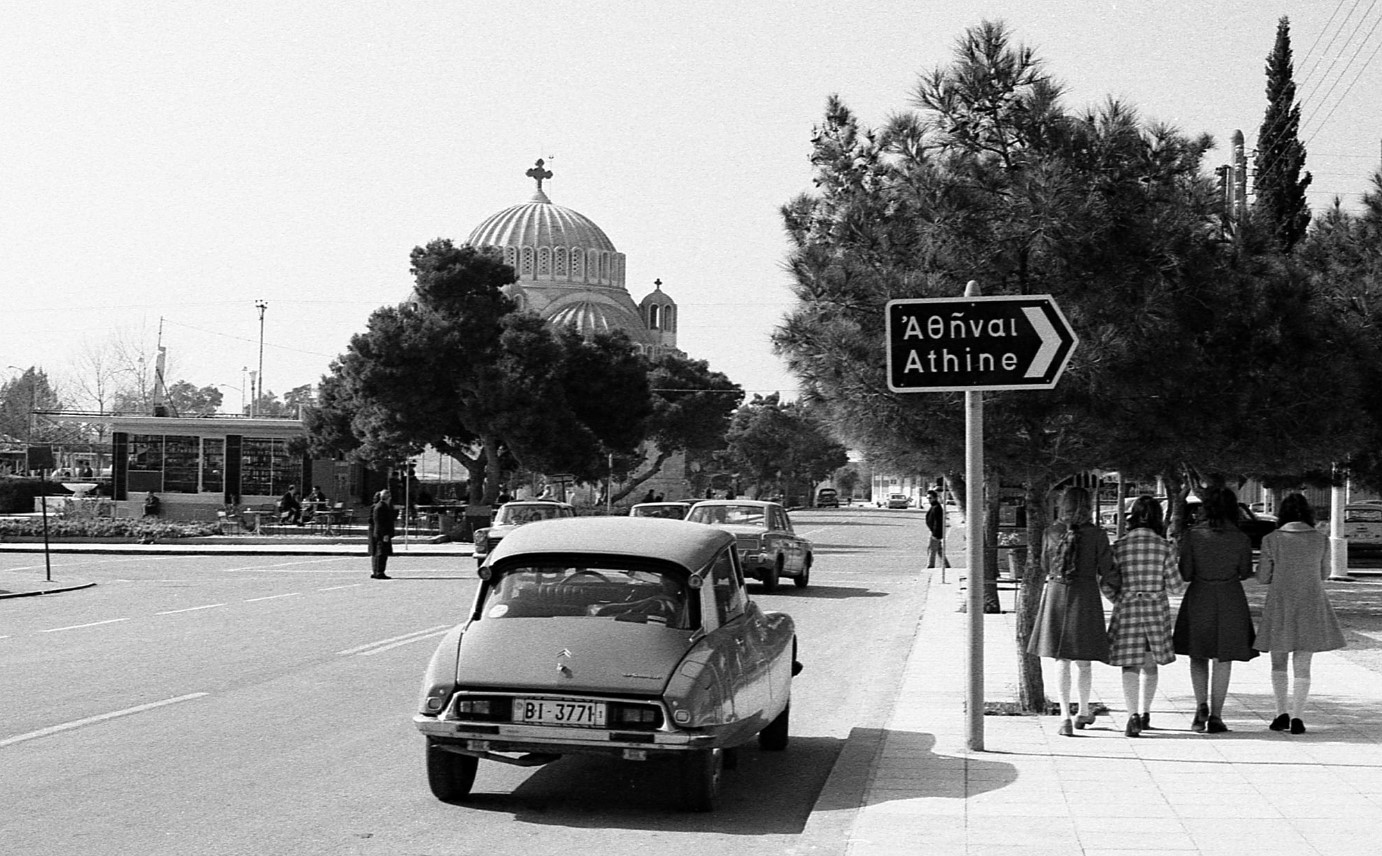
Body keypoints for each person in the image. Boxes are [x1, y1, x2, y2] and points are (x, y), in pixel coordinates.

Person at [1254, 492, 1346, 734]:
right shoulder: (1320, 539)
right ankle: (1298, 716)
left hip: (1281, 601)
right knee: (1303, 664)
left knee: (1278, 662)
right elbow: (1324, 574)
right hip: (1311, 601)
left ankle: (1280, 712)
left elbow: (1263, 577)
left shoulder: (1272, 539)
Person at [1026, 486, 1115, 736]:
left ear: (1062, 504)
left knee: (1060, 657)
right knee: (1083, 661)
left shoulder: (1051, 532)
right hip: (1085, 594)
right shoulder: (1098, 535)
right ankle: (1083, 710)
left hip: (1056, 592)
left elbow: (1044, 564)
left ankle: (1064, 716)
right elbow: (1107, 569)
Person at [1172, 486, 1258, 733]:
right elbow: (1244, 572)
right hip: (1230, 597)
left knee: (1197, 654)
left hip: (1200, 595)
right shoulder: (1240, 538)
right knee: (1224, 657)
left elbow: (1185, 573)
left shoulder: (1193, 535)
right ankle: (1217, 715)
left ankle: (1200, 706)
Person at [1105, 495, 1183, 737]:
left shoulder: (1118, 547)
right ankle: (1146, 712)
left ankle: (1131, 716)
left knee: (1129, 664)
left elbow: (1106, 583)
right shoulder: (1164, 547)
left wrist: (1120, 599)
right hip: (1154, 609)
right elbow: (1176, 587)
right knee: (1150, 663)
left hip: (1127, 607)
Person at [369, 489, 397, 579]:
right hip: (381, 534)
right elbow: (380, 522)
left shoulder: (383, 506)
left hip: (381, 533)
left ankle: (377, 571)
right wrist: (385, 534)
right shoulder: (380, 507)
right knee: (381, 553)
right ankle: (379, 571)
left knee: (380, 552)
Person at [925, 490, 950, 569]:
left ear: (935, 498)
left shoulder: (936, 508)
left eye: (930, 498)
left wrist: (935, 534)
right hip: (934, 531)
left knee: (932, 549)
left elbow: (938, 522)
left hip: (935, 533)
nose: (929, 500)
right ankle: (946, 565)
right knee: (939, 550)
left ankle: (930, 565)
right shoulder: (934, 507)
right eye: (928, 498)